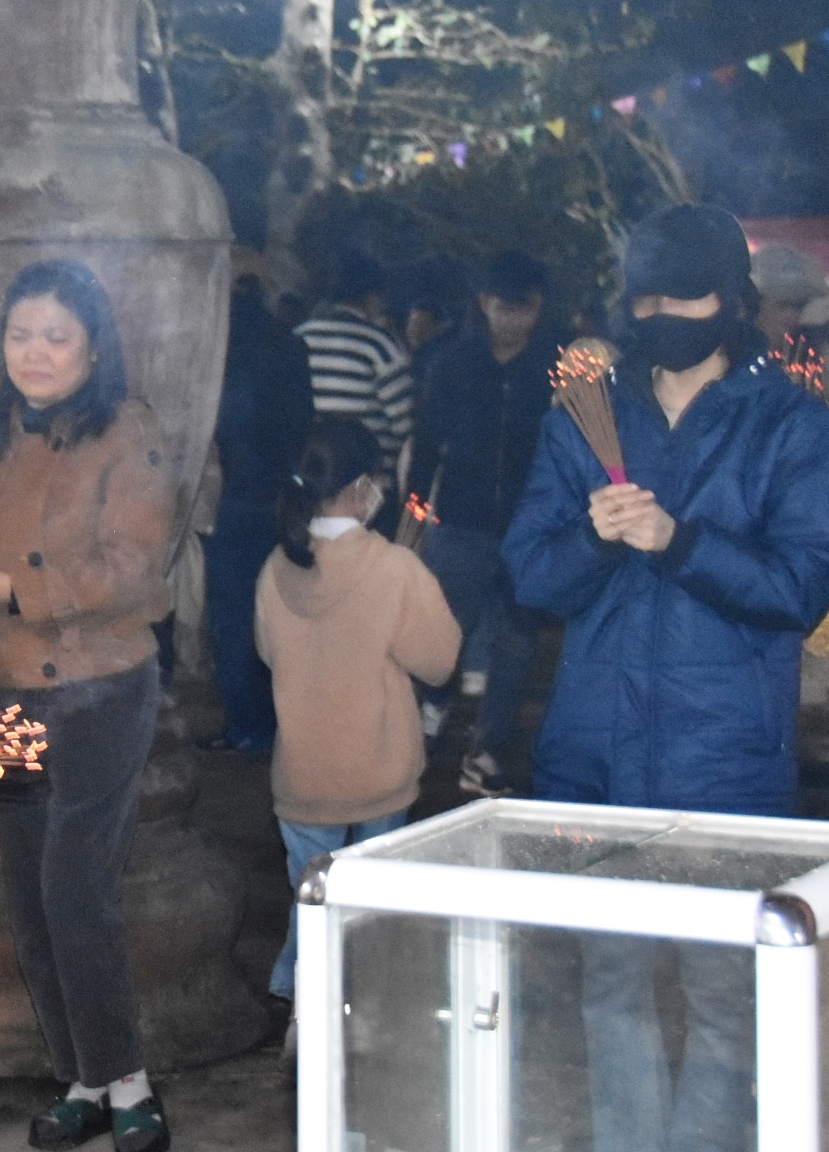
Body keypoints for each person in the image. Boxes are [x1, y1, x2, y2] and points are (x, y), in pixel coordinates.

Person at [502, 204, 829, 1152]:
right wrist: (595, 536)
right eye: (646, 299)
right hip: (598, 754)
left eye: (686, 298)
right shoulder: (582, 416)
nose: (664, 316)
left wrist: (679, 539)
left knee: (720, 995)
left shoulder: (789, 424)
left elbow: (803, 583)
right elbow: (528, 573)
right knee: (608, 985)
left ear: (731, 305)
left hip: (722, 757)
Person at [0, 258, 177, 1152]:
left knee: (75, 887)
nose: (33, 353)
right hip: (6, 690)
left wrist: (10, 585)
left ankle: (129, 1081)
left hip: (101, 685)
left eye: (54, 336)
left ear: (92, 346)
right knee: (27, 894)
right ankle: (80, 1081)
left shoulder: (126, 433)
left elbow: (134, 572)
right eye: (18, 334)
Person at [257, 418, 458, 1014]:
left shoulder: (277, 566)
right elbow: (441, 661)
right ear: (363, 488)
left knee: (310, 893)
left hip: (302, 772)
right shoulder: (394, 568)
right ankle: (363, 1003)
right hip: (379, 771)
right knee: (371, 900)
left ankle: (297, 994)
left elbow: (268, 653)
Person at [406, 251, 568, 795]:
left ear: (537, 307)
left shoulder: (553, 370)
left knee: (518, 642)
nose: (511, 319)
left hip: (528, 527)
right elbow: (427, 443)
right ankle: (428, 718)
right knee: (444, 628)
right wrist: (413, 513)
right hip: (461, 521)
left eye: (522, 309)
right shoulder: (453, 362)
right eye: (502, 307)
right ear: (484, 304)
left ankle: (487, 748)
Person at [201, 254, 314, 754]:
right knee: (278, 610)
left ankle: (244, 726)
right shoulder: (289, 347)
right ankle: (278, 722)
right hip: (278, 500)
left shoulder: (218, 349)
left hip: (230, 498)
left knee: (231, 617)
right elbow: (302, 425)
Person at [295, 250, 413, 468]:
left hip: (306, 473)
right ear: (371, 296)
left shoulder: (300, 337)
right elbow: (407, 425)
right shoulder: (377, 344)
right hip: (366, 483)